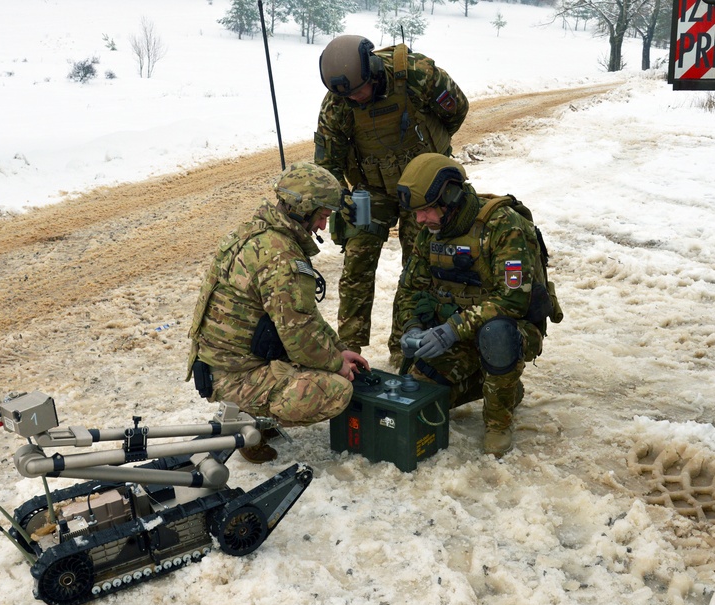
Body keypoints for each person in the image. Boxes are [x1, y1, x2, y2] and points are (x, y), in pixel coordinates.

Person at [186, 162, 370, 464]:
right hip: (232, 376)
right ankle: (249, 423)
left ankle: (254, 409)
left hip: (223, 363)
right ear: (304, 209)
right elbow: (297, 336)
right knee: (337, 390)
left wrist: (339, 349)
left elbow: (303, 316)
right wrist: (337, 365)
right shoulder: (281, 256)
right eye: (322, 216)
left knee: (321, 360)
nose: (323, 226)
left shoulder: (258, 233)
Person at [394, 154, 562, 458]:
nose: (420, 220)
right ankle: (504, 390)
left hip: (511, 330)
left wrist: (451, 330)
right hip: (456, 333)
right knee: (420, 400)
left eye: (426, 211)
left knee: (495, 334)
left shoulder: (503, 226)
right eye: (416, 213)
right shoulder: (429, 234)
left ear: (450, 196)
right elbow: (410, 289)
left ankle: (499, 419)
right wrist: (413, 327)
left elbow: (512, 299)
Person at [315, 34, 468, 362]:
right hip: (372, 190)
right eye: (348, 96)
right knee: (358, 259)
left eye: (359, 91)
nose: (355, 99)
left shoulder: (417, 75)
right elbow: (327, 162)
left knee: (419, 265)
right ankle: (349, 351)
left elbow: (456, 111)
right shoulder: (338, 103)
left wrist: (428, 152)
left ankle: (407, 346)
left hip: (425, 189)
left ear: (372, 72)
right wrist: (340, 201)